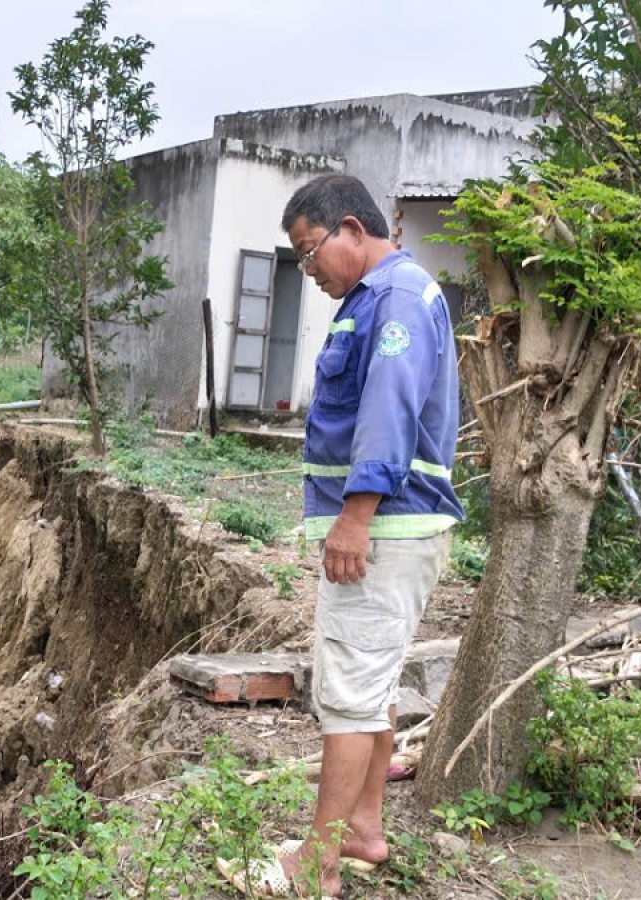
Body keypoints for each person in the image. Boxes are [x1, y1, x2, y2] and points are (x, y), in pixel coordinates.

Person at [280, 173, 464, 896]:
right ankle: (363, 828)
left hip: (384, 527)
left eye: (309, 250)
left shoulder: (393, 299)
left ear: (352, 229)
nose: (308, 269)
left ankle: (319, 863)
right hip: (393, 525)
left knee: (351, 696)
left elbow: (387, 411)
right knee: (374, 685)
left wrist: (355, 518)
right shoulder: (381, 296)